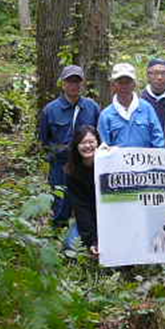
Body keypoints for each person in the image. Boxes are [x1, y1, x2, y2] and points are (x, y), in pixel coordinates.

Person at [39, 65, 101, 224]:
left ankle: (89, 239)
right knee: (61, 206)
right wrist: (59, 153)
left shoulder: (92, 107)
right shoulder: (50, 110)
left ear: (82, 84)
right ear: (63, 83)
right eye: (70, 81)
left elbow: (99, 136)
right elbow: (44, 141)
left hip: (87, 166)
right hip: (61, 166)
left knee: (90, 203)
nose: (74, 85)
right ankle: (58, 238)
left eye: (77, 81)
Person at [98, 63, 165, 148]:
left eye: (128, 82)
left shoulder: (147, 109)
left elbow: (158, 140)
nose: (124, 86)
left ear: (134, 84)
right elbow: (104, 147)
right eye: (120, 82)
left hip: (146, 160)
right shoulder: (106, 115)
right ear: (113, 85)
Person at [64, 125, 101, 253]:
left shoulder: (109, 164)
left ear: (98, 143)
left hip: (109, 216)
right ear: (76, 146)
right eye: (83, 143)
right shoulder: (71, 173)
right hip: (88, 215)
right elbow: (81, 208)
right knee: (71, 245)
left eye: (91, 142)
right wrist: (92, 240)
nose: (88, 146)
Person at [140, 58, 165, 130]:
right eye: (155, 73)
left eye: (164, 73)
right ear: (148, 75)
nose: (159, 77)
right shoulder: (139, 100)